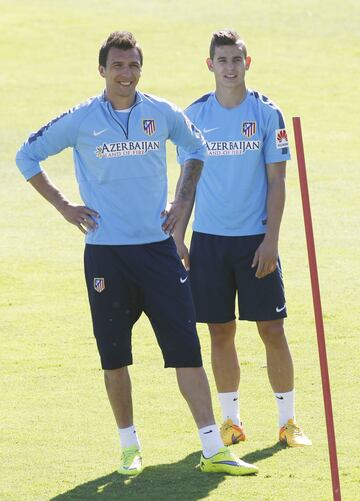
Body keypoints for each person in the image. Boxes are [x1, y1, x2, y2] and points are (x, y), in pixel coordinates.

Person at [16, 31, 258, 476]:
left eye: (132, 66)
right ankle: (129, 447)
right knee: (115, 357)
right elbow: (26, 156)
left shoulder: (161, 113)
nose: (125, 74)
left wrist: (182, 201)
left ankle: (213, 449)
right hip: (106, 257)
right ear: (103, 70)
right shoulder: (81, 119)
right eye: (117, 66)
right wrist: (65, 206)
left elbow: (196, 148)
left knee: (187, 351)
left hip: (158, 254)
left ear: (140, 69)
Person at [175, 29, 311, 447]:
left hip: (255, 242)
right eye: (222, 60)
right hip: (210, 243)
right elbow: (188, 183)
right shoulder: (193, 116)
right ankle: (231, 421)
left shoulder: (267, 113)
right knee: (220, 331)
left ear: (247, 63)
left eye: (237, 60)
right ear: (210, 64)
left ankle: (287, 422)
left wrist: (271, 240)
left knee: (272, 329)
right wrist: (178, 237)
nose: (230, 67)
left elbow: (277, 181)